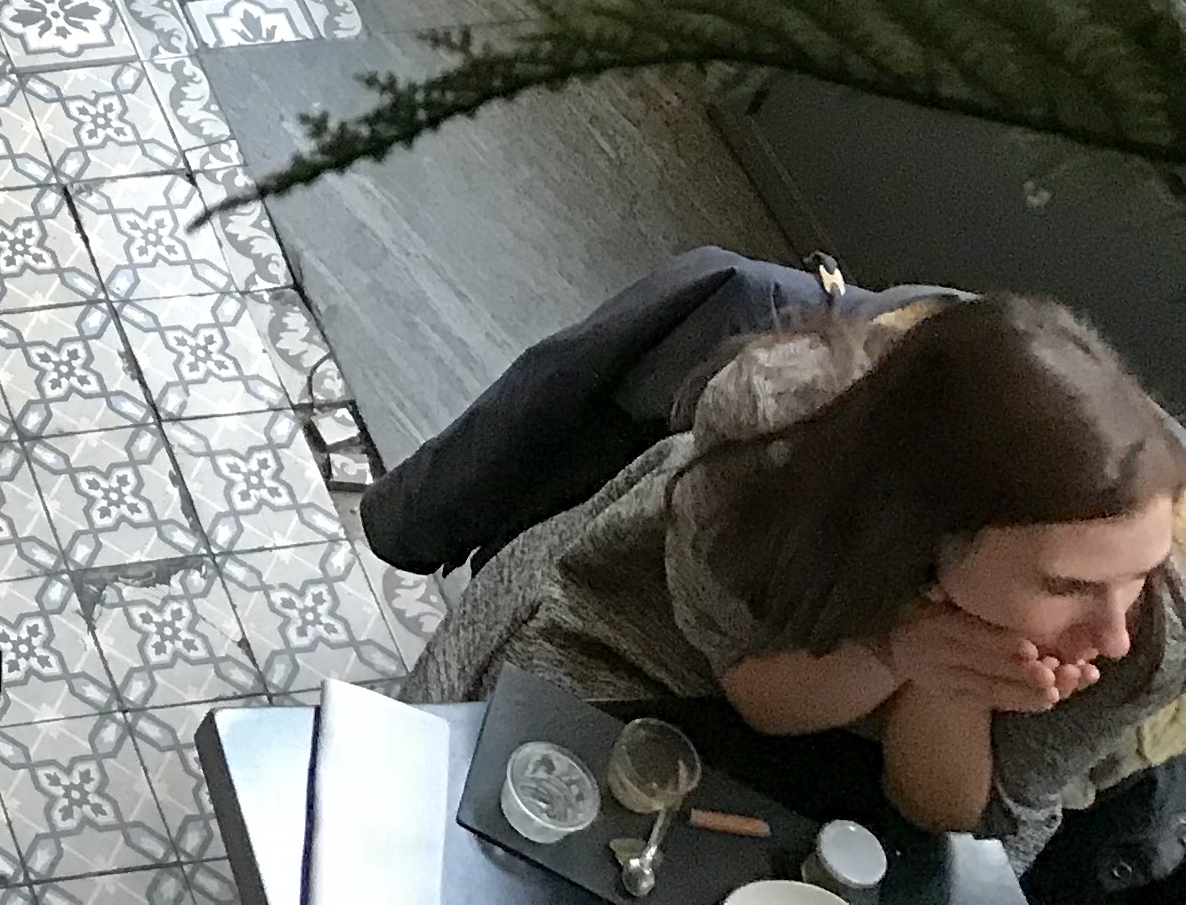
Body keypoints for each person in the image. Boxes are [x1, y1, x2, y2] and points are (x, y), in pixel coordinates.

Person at [400, 293, 1186, 867]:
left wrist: (951, 681)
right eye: (1069, 586)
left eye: (1138, 575)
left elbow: (954, 820)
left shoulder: (1152, 644)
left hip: (860, 786)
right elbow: (755, 692)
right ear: (929, 530)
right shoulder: (767, 442)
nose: (1112, 632)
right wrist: (898, 649)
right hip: (660, 653)